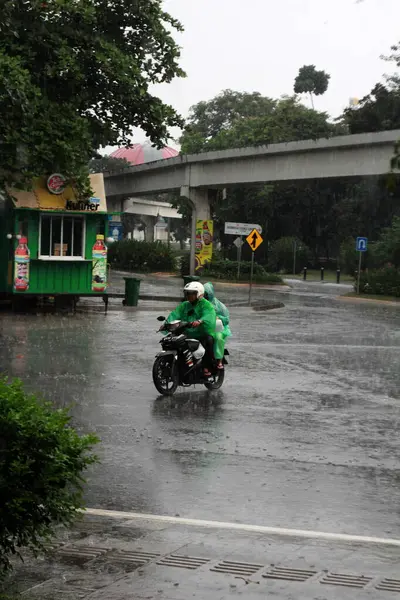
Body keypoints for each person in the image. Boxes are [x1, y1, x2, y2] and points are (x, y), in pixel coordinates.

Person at [166, 281, 216, 376]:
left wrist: (200, 321)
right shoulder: (185, 305)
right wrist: (167, 324)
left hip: (202, 333)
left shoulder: (206, 305)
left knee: (209, 341)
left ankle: (207, 367)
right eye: (188, 293)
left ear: (199, 293)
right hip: (187, 332)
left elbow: (209, 314)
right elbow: (175, 314)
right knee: (172, 341)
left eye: (192, 293)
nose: (189, 295)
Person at [204, 282, 231, 369]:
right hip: (204, 327)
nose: (205, 296)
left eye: (206, 294)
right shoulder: (199, 304)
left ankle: (219, 360)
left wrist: (218, 318)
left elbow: (226, 319)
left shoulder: (219, 305)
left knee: (218, 338)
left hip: (218, 328)